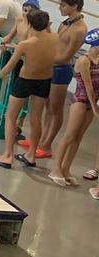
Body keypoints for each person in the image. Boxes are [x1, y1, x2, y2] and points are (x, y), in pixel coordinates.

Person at [0, 9, 56, 170]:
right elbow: (47, 36)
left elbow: (9, 68)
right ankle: (31, 155)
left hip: (25, 81)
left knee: (11, 117)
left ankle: (7, 156)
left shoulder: (25, 44)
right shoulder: (55, 38)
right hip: (44, 81)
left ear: (30, 24)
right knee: (36, 118)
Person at [23, 0, 87, 162]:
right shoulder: (66, 22)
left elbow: (66, 56)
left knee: (55, 109)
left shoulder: (80, 29)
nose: (60, 8)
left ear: (74, 6)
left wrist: (45, 59)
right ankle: (41, 139)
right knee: (46, 106)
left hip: (61, 70)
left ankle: (46, 145)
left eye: (63, 5)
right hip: (52, 67)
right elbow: (56, 44)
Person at [49, 29, 99, 188]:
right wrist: (95, 107)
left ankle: (66, 169)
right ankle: (55, 169)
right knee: (69, 136)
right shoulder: (84, 61)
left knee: (78, 138)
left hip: (92, 102)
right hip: (81, 100)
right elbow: (88, 87)